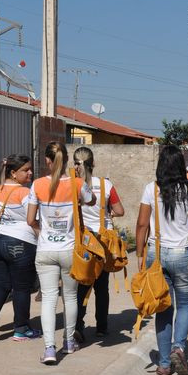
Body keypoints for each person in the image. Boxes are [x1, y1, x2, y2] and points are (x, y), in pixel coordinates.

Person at [135, 145, 188, 375]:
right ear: (182, 166)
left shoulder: (151, 189)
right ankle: (178, 347)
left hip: (156, 254)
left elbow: (141, 224)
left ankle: (163, 364)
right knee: (186, 303)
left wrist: (140, 256)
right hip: (182, 254)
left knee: (162, 308)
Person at [27, 142, 96, 365]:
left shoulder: (37, 185)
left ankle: (49, 348)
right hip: (69, 250)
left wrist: (42, 232)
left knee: (48, 299)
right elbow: (92, 200)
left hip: (46, 250)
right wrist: (80, 178)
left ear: (47, 160)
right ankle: (68, 342)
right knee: (70, 297)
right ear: (66, 160)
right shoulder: (76, 184)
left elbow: (30, 219)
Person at [0, 155, 42, 343]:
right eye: (25, 170)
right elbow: (33, 220)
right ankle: (21, 329)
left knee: (0, 284)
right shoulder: (25, 193)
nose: (30, 173)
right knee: (21, 288)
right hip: (20, 243)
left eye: (30, 169)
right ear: (13, 173)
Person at [72, 146, 125, 342]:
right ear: (93, 164)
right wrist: (108, 213)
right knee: (102, 287)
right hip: (102, 240)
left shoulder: (73, 185)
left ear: (75, 164)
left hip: (83, 241)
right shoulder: (106, 185)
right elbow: (120, 211)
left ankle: (78, 325)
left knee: (82, 285)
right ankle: (102, 327)